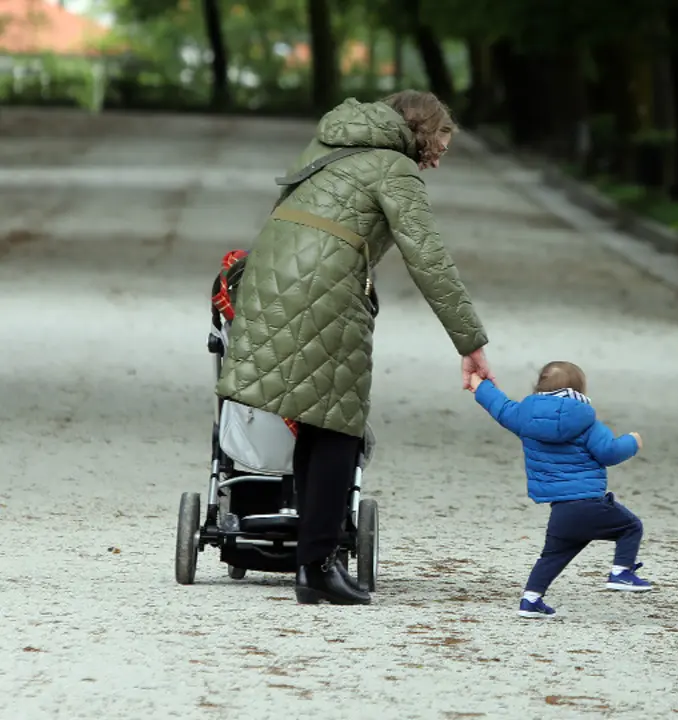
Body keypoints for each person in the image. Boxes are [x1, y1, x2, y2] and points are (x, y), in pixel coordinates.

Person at [216, 91, 492, 606]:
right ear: (420, 130)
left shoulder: (327, 144)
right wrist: (469, 342)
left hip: (268, 281)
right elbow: (427, 257)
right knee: (341, 423)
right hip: (323, 290)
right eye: (439, 145)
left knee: (316, 416)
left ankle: (312, 559)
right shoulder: (395, 167)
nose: (436, 158)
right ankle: (317, 566)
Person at [468, 361, 651, 619]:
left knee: (553, 556)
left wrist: (478, 384)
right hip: (590, 503)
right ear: (579, 390)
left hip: (562, 511)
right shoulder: (587, 421)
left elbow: (499, 406)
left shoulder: (523, 416)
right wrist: (633, 441)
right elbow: (609, 452)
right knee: (631, 526)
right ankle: (622, 572)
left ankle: (530, 599)